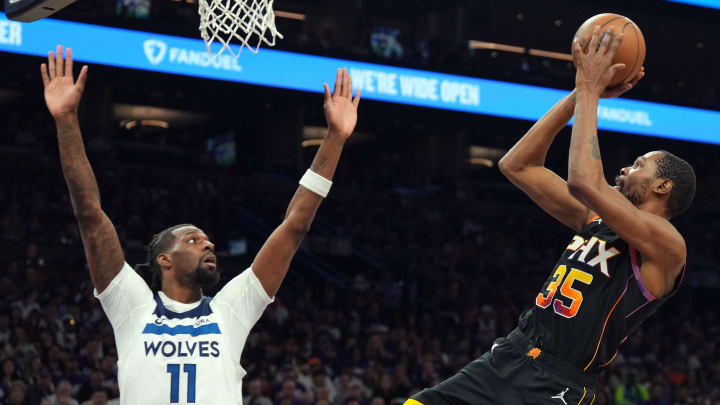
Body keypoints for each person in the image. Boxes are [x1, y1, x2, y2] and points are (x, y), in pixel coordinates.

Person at [41, 45, 360, 405]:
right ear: (164, 259)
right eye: (193, 240)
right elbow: (90, 215)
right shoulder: (132, 307)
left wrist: (335, 137)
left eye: (208, 241)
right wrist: (67, 119)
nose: (208, 245)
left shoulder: (231, 309)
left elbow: (295, 225)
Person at [406, 25, 695, 404]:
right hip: (508, 353)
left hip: (558, 383)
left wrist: (591, 89)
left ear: (663, 187)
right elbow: (518, 165)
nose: (625, 170)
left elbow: (583, 182)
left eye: (639, 165)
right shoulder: (599, 220)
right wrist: (579, 95)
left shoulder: (667, 244)